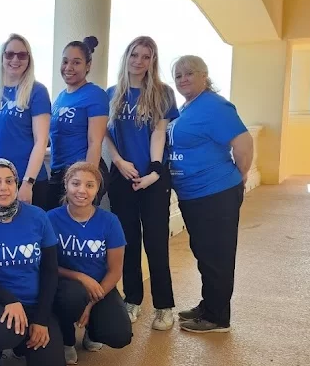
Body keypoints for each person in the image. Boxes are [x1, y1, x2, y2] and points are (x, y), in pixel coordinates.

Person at [168, 55, 253, 333]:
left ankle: (218, 317)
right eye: (178, 75)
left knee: (217, 255)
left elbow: (243, 143)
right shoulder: (187, 107)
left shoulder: (215, 106)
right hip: (193, 194)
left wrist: (240, 175)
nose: (183, 79)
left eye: (189, 73)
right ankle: (209, 305)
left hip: (215, 193)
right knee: (205, 253)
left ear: (204, 76)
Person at [0, 159, 66, 366]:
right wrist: (10, 300)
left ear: (16, 184)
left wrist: (41, 319)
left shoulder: (38, 217)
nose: (3, 187)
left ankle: (23, 342)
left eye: (9, 181)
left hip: (35, 302)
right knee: (7, 331)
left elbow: (50, 271)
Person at [104, 36, 178, 331]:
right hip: (122, 177)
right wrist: (119, 161)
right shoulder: (112, 94)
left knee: (156, 243)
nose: (139, 61)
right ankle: (132, 299)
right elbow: (104, 133)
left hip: (153, 177)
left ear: (152, 61)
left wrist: (154, 172)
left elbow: (159, 133)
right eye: (135, 55)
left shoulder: (163, 93)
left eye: (146, 57)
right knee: (129, 241)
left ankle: (164, 306)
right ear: (127, 56)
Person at [48, 162, 133, 365]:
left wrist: (90, 304)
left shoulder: (109, 221)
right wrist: (80, 277)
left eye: (89, 185)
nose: (82, 191)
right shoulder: (50, 219)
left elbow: (115, 271)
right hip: (65, 286)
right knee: (71, 296)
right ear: (66, 185)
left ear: (97, 190)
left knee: (120, 335)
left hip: (99, 287)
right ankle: (67, 340)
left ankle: (92, 331)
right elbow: (46, 266)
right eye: (75, 183)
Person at [0, 34, 51, 208]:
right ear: (2, 57)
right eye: (10, 54)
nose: (15, 60)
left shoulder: (37, 91)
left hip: (27, 180)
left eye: (22, 55)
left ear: (29, 59)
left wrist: (27, 182)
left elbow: (41, 142)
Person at [48, 36, 109, 210]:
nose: (69, 67)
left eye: (76, 62)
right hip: (59, 172)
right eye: (65, 61)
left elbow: (95, 142)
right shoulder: (60, 97)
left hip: (81, 174)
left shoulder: (95, 94)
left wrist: (87, 182)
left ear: (88, 66)